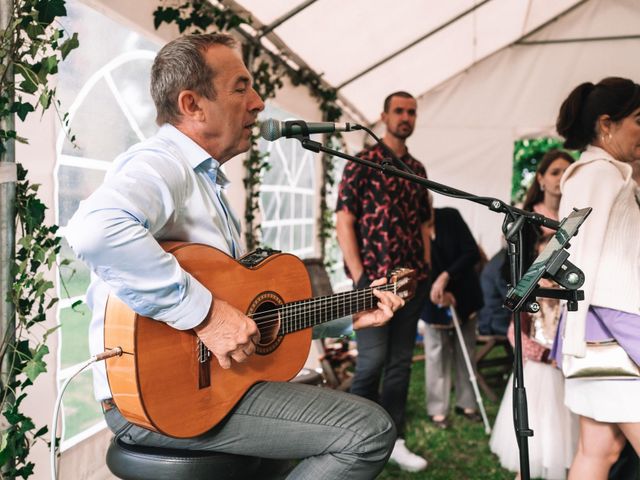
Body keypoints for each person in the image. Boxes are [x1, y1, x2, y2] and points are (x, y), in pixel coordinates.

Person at [66, 33, 408, 479]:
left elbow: (248, 315)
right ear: (192, 104)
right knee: (369, 430)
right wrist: (206, 316)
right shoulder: (161, 163)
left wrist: (347, 315)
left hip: (211, 385)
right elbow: (97, 230)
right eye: (241, 87)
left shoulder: (205, 179)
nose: (259, 102)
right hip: (154, 400)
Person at [335, 91, 431, 472]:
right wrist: (359, 277)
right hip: (370, 282)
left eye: (412, 112)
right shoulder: (361, 161)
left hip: (412, 281)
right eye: (400, 111)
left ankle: (395, 439)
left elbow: (425, 221)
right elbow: (344, 219)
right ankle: (351, 439)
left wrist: (425, 265)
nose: (406, 117)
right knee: (371, 362)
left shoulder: (418, 168)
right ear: (384, 116)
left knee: (401, 364)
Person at [551, 76, 640, 479]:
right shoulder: (598, 174)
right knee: (596, 452)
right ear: (607, 124)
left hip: (598, 334)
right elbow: (577, 262)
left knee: (597, 452)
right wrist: (573, 342)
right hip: (607, 335)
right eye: (638, 119)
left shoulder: (604, 172)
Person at [490, 234, 579, 480]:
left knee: (562, 425)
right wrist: (542, 355)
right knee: (536, 421)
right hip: (538, 371)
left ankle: (564, 466)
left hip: (563, 369)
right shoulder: (530, 292)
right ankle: (525, 470)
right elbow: (514, 333)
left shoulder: (568, 293)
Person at [421, 207, 483, 429]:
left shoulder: (450, 216)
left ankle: (467, 403)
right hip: (432, 298)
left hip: (464, 293)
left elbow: (471, 253)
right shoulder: (411, 229)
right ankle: (437, 409)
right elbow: (415, 268)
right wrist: (437, 291)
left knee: (465, 350)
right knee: (436, 354)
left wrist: (446, 277)